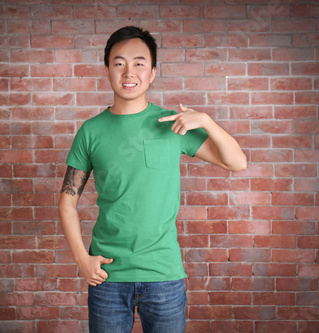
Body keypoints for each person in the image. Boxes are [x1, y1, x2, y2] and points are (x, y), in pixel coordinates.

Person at [58, 26, 247, 333]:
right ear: (107, 69)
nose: (129, 72)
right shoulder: (90, 131)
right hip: (108, 277)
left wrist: (207, 121)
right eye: (119, 63)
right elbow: (67, 202)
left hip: (164, 276)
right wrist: (82, 258)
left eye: (139, 63)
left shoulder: (172, 124)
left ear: (153, 72)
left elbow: (237, 162)